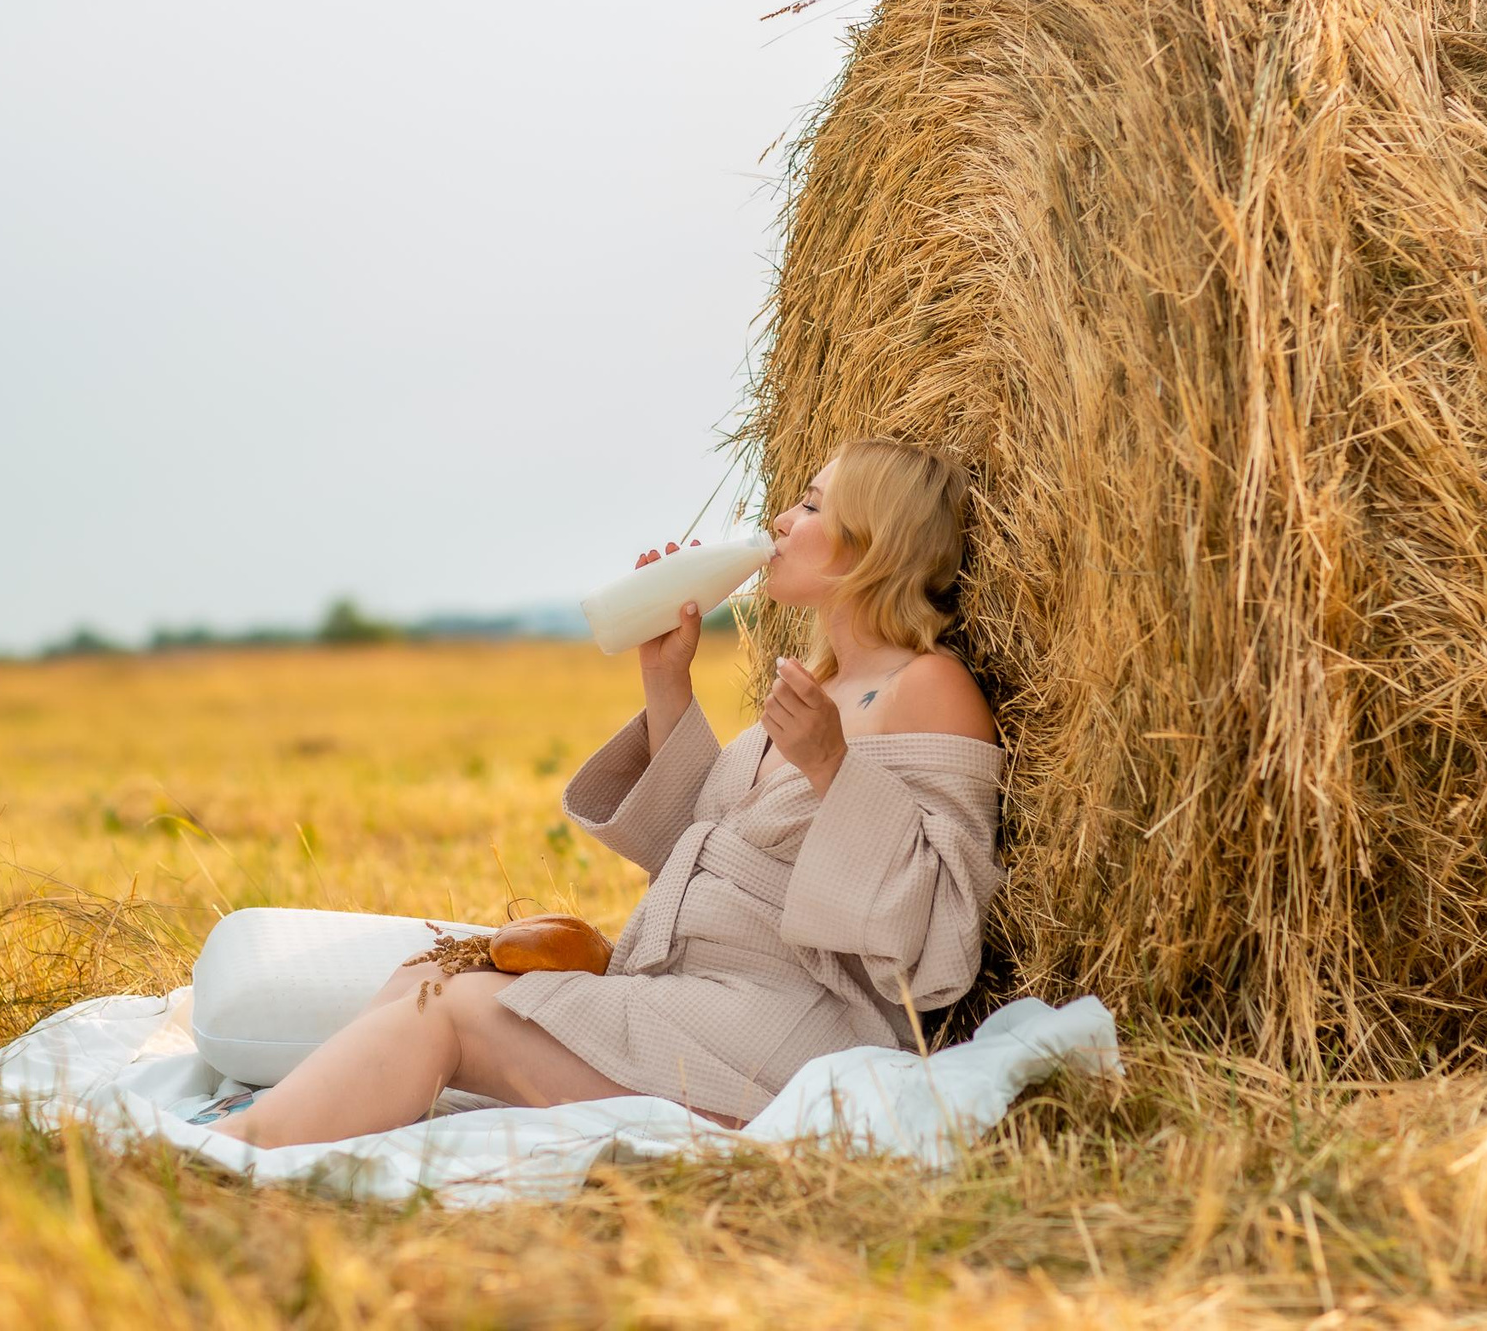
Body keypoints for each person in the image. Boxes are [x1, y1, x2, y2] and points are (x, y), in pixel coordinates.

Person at [210, 437, 1004, 1147]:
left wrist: (833, 767)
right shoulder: (815, 683)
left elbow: (940, 932)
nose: (784, 520)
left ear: (871, 546)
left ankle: (235, 1147)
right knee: (432, 973)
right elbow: (701, 848)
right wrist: (667, 676)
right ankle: (285, 1121)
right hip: (693, 996)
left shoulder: (926, 687)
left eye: (812, 505)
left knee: (445, 1015)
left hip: (786, 1031)